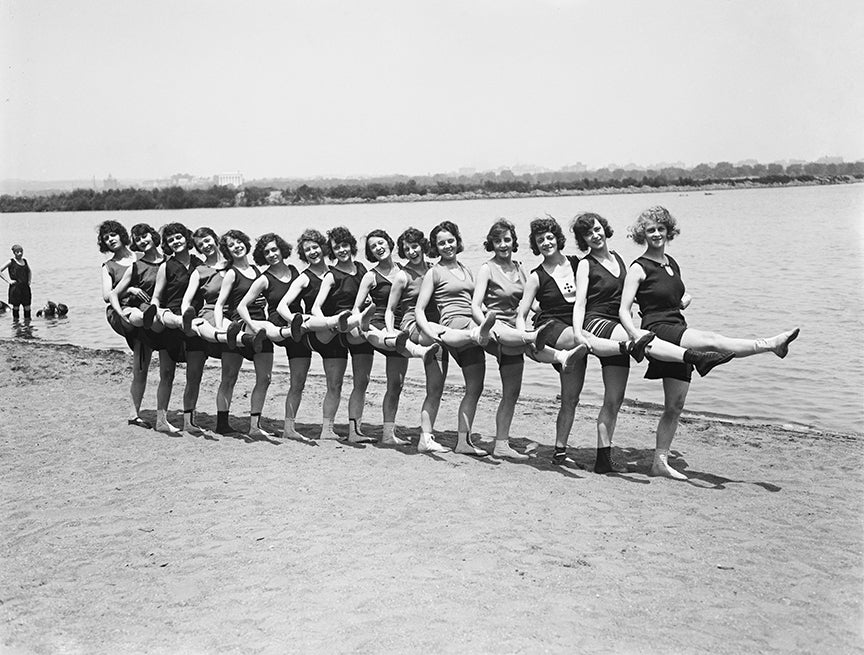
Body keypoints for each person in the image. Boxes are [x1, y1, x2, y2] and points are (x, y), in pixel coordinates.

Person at [619, 206, 799, 479]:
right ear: (642, 234)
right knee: (712, 341)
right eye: (650, 230)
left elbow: (664, 296)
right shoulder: (638, 267)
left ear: (669, 231)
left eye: (660, 229)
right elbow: (624, 310)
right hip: (658, 330)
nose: (656, 234)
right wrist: (636, 336)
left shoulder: (671, 263)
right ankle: (770, 344)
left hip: (677, 324)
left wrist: (682, 300)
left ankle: (659, 463)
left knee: (675, 406)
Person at [571, 212, 733, 473]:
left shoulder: (619, 260)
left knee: (614, 399)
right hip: (597, 323)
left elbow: (631, 296)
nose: (595, 235)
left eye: (598, 229)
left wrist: (675, 301)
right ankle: (694, 357)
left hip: (619, 327)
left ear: (605, 229)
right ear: (583, 240)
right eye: (588, 233)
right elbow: (580, 303)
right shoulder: (585, 265)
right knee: (644, 338)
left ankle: (603, 460)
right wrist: (579, 334)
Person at [471, 219, 586, 460]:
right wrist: (486, 328)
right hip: (497, 328)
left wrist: (548, 309)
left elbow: (529, 303)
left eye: (507, 240)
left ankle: (501, 444)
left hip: (517, 328)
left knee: (512, 391)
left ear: (514, 241)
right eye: (497, 241)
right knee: (527, 347)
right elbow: (476, 306)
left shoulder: (520, 268)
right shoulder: (486, 269)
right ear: (491, 244)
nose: (503, 245)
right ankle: (544, 345)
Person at [415, 220, 497, 456]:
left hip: (472, 325)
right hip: (452, 325)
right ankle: (425, 439)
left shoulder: (466, 269)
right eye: (441, 243)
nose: (447, 246)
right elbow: (420, 309)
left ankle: (463, 442)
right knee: (435, 388)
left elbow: (475, 302)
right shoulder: (434, 272)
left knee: (475, 387)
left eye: (451, 241)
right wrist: (430, 332)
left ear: (457, 241)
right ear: (435, 246)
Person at [352, 229, 440, 446]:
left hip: (401, 328)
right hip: (378, 322)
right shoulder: (371, 276)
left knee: (396, 384)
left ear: (390, 244)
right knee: (364, 376)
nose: (378, 248)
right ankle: (373, 329)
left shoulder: (404, 271)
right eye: (373, 246)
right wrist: (361, 322)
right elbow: (356, 306)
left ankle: (387, 434)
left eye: (381, 243)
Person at [237, 232, 314, 443]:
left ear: (282, 249)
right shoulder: (263, 279)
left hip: (297, 324)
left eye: (274, 249)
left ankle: (289, 428)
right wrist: (253, 325)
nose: (272, 254)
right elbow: (242, 306)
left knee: (298, 382)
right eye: (267, 252)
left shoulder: (295, 272)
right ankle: (254, 427)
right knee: (264, 379)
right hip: (275, 325)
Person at [109, 223, 179, 433]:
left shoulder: (172, 262)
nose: (142, 241)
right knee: (140, 371)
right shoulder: (136, 266)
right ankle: (134, 415)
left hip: (166, 319)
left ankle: (162, 420)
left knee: (168, 373)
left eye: (144, 236)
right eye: (137, 239)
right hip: (143, 322)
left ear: (153, 236)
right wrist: (122, 313)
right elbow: (113, 294)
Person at [384, 227, 450, 453]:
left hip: (435, 329)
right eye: (407, 249)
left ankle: (425, 438)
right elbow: (390, 309)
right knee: (396, 384)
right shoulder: (403, 276)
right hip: (411, 325)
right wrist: (391, 333)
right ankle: (414, 348)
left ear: (423, 246)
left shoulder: (434, 270)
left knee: (436, 388)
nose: (412, 251)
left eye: (415, 247)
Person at [310, 226, 377, 444]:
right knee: (334, 385)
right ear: (332, 251)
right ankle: (327, 429)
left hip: (358, 325)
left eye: (345, 245)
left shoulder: (362, 269)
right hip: (335, 331)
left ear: (352, 246)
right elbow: (316, 307)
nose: (342, 250)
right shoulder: (331, 275)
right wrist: (326, 324)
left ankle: (355, 431)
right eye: (337, 247)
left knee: (362, 382)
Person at [275, 228, 339, 441]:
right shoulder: (304, 278)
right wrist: (296, 321)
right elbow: (282, 305)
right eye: (307, 250)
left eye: (315, 247)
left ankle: (327, 429)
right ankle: (289, 427)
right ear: (303, 255)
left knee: (335, 384)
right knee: (297, 383)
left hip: (332, 335)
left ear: (323, 248)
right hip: (306, 334)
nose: (313, 252)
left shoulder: (335, 273)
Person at [213, 230, 272, 437]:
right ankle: (222, 424)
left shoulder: (257, 271)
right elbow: (220, 304)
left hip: (260, 326)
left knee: (265, 378)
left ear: (246, 243)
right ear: (227, 251)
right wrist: (220, 329)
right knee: (229, 377)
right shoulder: (231, 273)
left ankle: (255, 426)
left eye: (239, 242)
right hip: (237, 328)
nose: (237, 246)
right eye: (231, 245)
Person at [151, 222, 207, 435]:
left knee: (195, 375)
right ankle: (161, 420)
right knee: (167, 374)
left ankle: (189, 421)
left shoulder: (200, 264)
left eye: (179, 237)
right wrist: (159, 314)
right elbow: (156, 298)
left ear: (187, 237)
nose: (176, 242)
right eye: (171, 239)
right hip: (172, 322)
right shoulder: (166, 267)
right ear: (166, 244)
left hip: (195, 320)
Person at [98, 220, 152, 428]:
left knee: (141, 365)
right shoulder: (108, 266)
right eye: (106, 238)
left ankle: (134, 414)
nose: (110, 240)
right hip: (121, 312)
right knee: (135, 320)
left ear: (121, 235)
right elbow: (107, 295)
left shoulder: (141, 256)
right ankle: (134, 413)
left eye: (113, 235)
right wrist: (128, 289)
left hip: (145, 310)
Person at [0, 244, 32, 321]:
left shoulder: (24, 261)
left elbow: (29, 271)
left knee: (27, 307)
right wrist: (8, 281)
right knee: (16, 308)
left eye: (21, 251)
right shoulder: (11, 261)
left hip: (25, 287)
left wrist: (29, 280)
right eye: (17, 252)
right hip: (15, 288)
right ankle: (16, 324)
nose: (20, 253)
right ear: (14, 253)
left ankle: (27, 324)